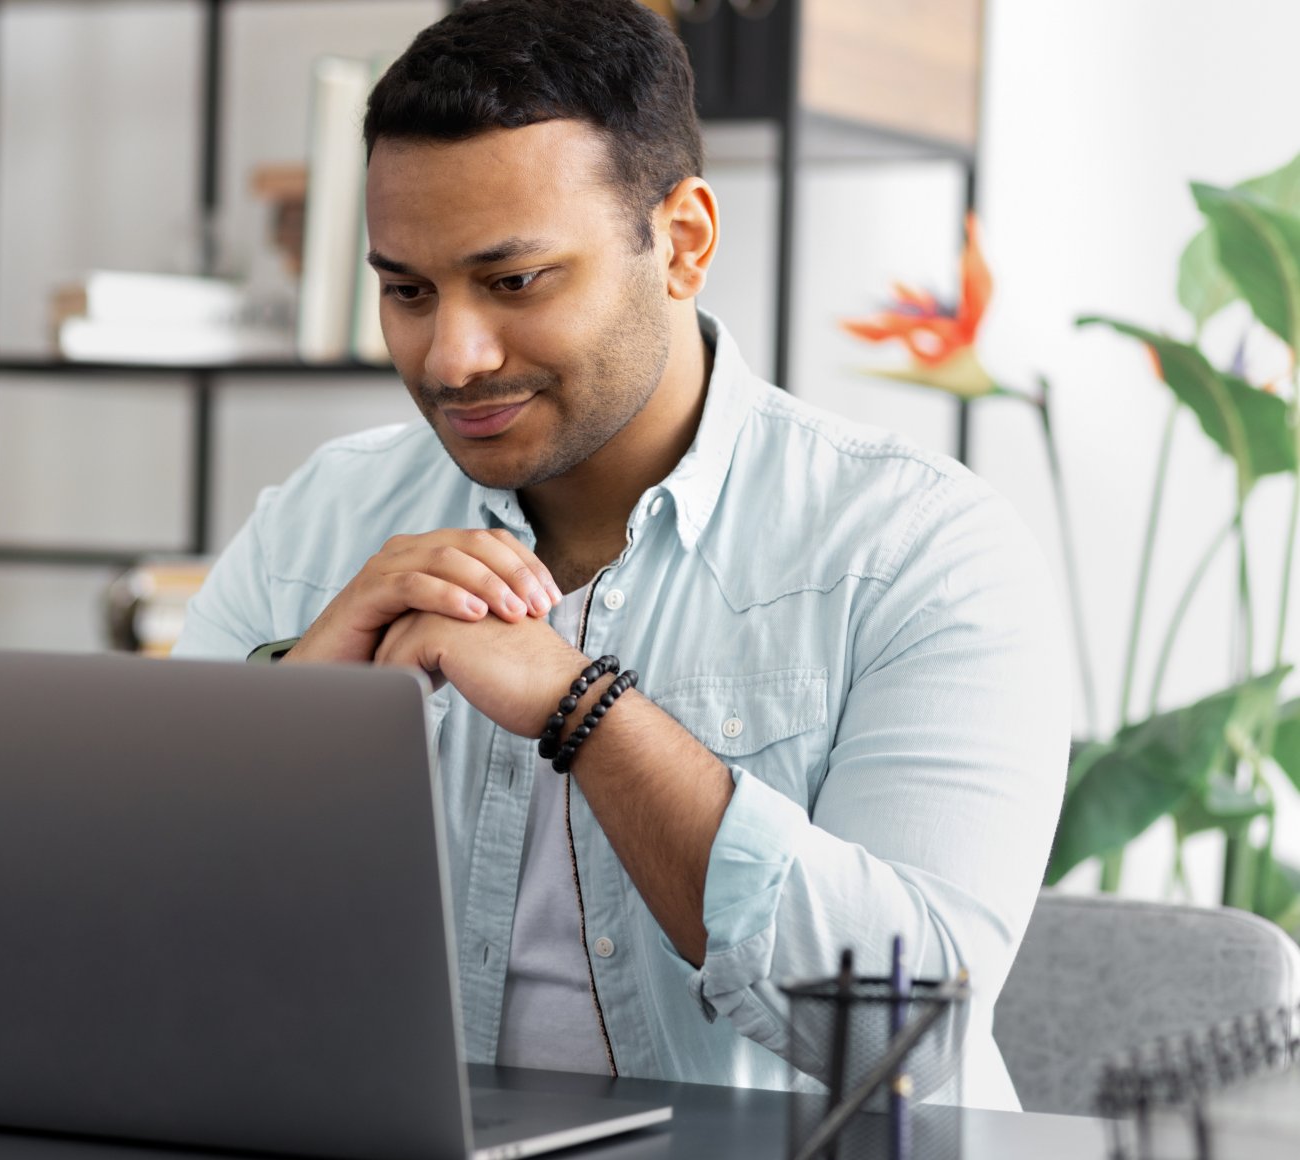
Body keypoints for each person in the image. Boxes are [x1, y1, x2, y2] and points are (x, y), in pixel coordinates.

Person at [172, 0, 1065, 1110]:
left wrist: (582, 707)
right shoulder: (316, 523)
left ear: (681, 241)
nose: (450, 357)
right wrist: (297, 714)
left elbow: (904, 1024)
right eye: (406, 289)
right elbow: (144, 948)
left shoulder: (918, 552)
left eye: (513, 281)